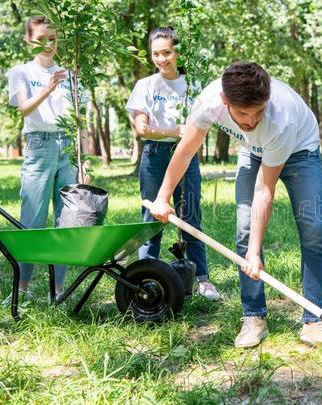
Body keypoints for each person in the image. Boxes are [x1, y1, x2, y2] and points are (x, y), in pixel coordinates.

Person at [149, 61, 322, 350]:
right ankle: (254, 317)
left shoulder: (282, 117)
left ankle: (314, 322)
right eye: (243, 114)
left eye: (258, 113)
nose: (251, 122)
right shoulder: (208, 103)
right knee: (243, 228)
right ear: (225, 101)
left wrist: (256, 253)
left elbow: (265, 191)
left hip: (300, 151)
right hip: (252, 153)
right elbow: (186, 151)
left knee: (312, 228)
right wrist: (163, 197)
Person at [126, 27, 220, 301]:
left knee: (190, 215)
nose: (162, 59)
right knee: (153, 217)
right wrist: (175, 130)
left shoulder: (193, 85)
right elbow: (142, 129)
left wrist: (184, 135)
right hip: (155, 155)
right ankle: (144, 276)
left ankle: (202, 279)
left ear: (177, 52)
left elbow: (205, 122)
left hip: (186, 155)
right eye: (156, 54)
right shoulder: (145, 86)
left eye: (167, 52)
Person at [4, 16, 76, 304]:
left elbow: (79, 120)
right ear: (29, 40)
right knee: (32, 218)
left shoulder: (70, 73)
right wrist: (48, 87)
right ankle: (21, 287)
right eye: (41, 39)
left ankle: (57, 289)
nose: (48, 44)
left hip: (67, 146)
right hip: (39, 144)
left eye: (53, 39)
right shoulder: (21, 72)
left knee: (67, 219)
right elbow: (24, 108)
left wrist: (83, 164)